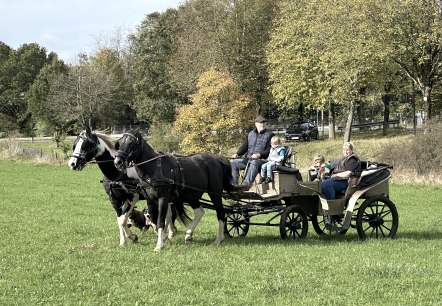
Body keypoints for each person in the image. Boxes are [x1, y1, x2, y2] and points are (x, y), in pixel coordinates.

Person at [231, 115, 275, 186]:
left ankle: (246, 185)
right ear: (256, 124)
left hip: (263, 160)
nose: (262, 124)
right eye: (260, 123)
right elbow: (244, 147)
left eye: (264, 122)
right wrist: (237, 154)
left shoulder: (270, 134)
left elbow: (269, 150)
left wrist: (259, 154)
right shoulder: (250, 134)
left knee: (254, 163)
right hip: (248, 159)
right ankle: (234, 185)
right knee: (233, 163)